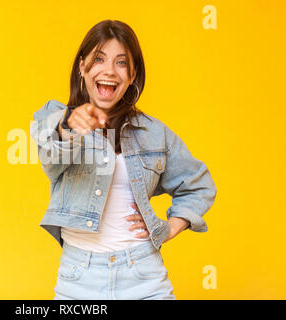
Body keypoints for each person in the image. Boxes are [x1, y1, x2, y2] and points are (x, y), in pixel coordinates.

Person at [30, 20, 217, 300]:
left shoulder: (154, 132)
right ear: (82, 67)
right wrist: (69, 126)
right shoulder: (56, 118)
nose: (109, 70)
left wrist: (170, 227)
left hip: (144, 275)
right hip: (79, 279)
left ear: (132, 75)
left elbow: (199, 185)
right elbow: (50, 150)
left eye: (121, 62)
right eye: (99, 59)